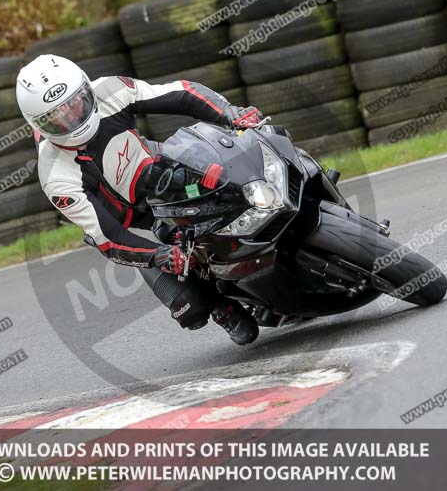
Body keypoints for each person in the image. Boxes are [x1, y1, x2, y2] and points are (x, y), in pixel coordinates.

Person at [16, 55, 266, 345]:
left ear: (86, 86)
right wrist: (158, 255)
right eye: (57, 116)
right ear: (39, 124)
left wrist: (230, 112)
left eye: (74, 102)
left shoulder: (110, 90)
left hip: (163, 176)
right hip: (135, 221)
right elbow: (109, 239)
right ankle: (222, 305)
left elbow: (182, 93)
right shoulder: (56, 176)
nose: (72, 116)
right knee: (190, 306)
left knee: (231, 179)